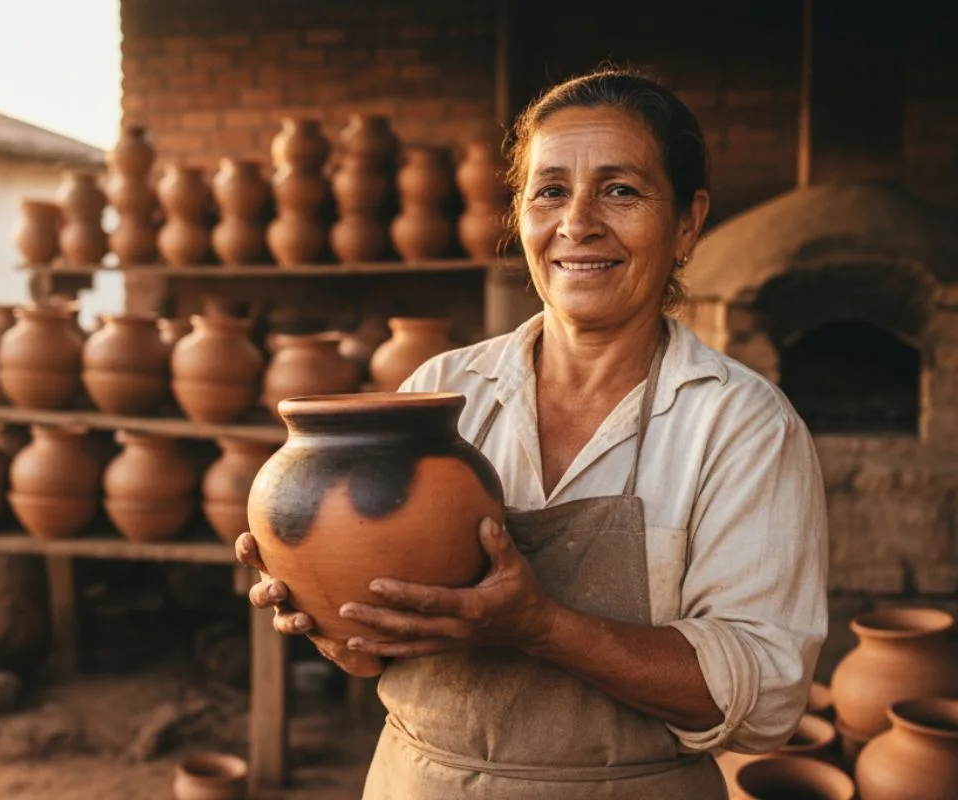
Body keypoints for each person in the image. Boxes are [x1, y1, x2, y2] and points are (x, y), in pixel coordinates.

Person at [236, 68, 828, 799]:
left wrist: (540, 626)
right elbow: (375, 658)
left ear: (686, 222)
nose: (577, 223)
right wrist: (328, 611)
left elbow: (767, 699)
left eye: (620, 190)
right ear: (519, 216)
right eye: (549, 191)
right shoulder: (439, 394)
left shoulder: (741, 426)